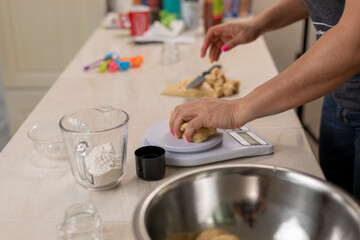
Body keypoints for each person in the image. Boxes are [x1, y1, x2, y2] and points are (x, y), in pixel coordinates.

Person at [169, 0, 360, 200]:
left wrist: (237, 109)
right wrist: (258, 24)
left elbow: (353, 43)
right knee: (338, 205)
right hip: (339, 98)